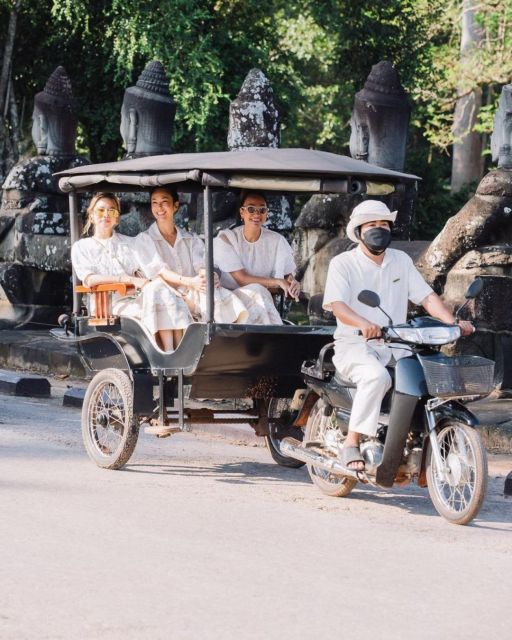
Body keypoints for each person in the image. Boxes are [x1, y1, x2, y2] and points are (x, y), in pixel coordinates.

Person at [323, 200, 475, 471]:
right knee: (376, 376)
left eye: (383, 224)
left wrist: (454, 323)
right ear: (359, 231)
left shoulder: (400, 260)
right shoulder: (343, 263)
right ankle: (351, 442)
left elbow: (427, 297)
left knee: (429, 377)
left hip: (397, 343)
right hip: (355, 343)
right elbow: (338, 306)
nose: (378, 229)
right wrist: (365, 323)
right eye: (371, 225)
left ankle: (413, 437)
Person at [71, 192, 193, 353]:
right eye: (101, 210)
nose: (106, 215)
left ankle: (177, 351)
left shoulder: (130, 243)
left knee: (162, 291)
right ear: (92, 215)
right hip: (109, 305)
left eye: (112, 211)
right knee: (158, 296)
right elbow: (89, 279)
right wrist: (126, 279)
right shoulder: (82, 247)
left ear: (117, 217)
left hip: (138, 297)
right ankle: (167, 352)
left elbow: (148, 272)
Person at [136, 186, 249, 324]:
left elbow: (201, 265)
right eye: (154, 202)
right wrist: (190, 282)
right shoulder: (145, 239)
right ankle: (215, 332)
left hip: (193, 292)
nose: (159, 207)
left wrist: (208, 275)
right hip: (165, 295)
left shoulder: (190, 238)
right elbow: (160, 272)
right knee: (205, 293)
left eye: (164, 202)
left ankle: (221, 334)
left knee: (209, 287)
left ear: (175, 205)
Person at [213, 191, 300, 324]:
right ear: (242, 212)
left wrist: (293, 283)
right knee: (258, 291)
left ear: (266, 213)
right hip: (230, 300)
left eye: (262, 209)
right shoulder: (227, 239)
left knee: (259, 293)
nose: (256, 214)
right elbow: (242, 279)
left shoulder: (277, 240)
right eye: (251, 209)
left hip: (263, 300)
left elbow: (287, 275)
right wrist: (277, 282)